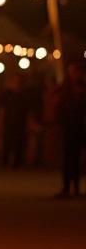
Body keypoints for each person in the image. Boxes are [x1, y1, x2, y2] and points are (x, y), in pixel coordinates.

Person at [55, 61, 85, 198]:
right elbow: (59, 106)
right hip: (69, 127)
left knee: (80, 159)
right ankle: (67, 187)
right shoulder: (65, 87)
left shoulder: (83, 86)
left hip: (82, 127)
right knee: (68, 158)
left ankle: (78, 188)